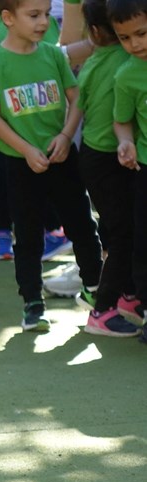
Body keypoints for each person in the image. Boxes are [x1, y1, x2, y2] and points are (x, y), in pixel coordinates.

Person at [0, 0, 103, 332]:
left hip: (61, 157)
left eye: (46, 13)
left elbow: (76, 98)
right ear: (7, 18)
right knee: (29, 235)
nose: (44, 21)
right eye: (34, 15)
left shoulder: (53, 55)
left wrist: (65, 136)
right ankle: (32, 302)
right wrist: (27, 150)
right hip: (20, 164)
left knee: (82, 225)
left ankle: (96, 289)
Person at [74, 0, 139, 336]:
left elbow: (78, 103)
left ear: (95, 32)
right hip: (109, 158)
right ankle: (102, 311)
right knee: (124, 234)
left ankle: (128, 295)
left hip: (95, 156)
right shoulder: (127, 63)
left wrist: (65, 135)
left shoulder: (95, 60)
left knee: (121, 230)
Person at [109, 0, 147, 341]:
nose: (134, 44)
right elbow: (122, 122)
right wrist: (125, 142)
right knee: (143, 242)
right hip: (145, 169)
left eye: (142, 33)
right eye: (124, 38)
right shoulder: (127, 75)